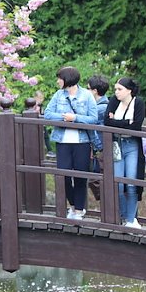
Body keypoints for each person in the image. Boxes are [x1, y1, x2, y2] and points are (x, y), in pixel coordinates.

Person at [43, 66, 99, 219]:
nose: (57, 81)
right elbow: (47, 114)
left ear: (67, 79)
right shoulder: (58, 95)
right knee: (64, 176)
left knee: (80, 176)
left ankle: (79, 210)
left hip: (82, 142)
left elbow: (93, 119)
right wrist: (63, 117)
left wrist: (75, 118)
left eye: (59, 78)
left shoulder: (87, 95)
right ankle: (73, 206)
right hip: (63, 141)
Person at [104, 77, 146, 229]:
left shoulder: (138, 102)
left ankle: (131, 220)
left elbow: (136, 126)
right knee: (118, 183)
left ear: (129, 90)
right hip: (117, 145)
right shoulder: (114, 101)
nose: (116, 92)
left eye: (119, 89)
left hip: (132, 145)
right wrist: (125, 123)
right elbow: (106, 122)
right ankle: (125, 217)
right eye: (115, 89)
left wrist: (117, 122)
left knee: (131, 182)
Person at [86, 75, 109, 202]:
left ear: (94, 91)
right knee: (96, 179)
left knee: (97, 180)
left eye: (88, 88)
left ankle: (111, 211)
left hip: (102, 148)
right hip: (100, 148)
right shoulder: (102, 106)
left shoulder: (100, 108)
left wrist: (97, 147)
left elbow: (90, 126)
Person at [35, 90, 54, 156]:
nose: (41, 100)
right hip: (37, 125)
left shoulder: (40, 106)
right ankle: (47, 150)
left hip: (42, 124)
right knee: (42, 137)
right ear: (35, 98)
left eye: (42, 98)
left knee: (46, 137)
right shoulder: (35, 106)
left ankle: (49, 150)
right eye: (39, 98)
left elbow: (42, 114)